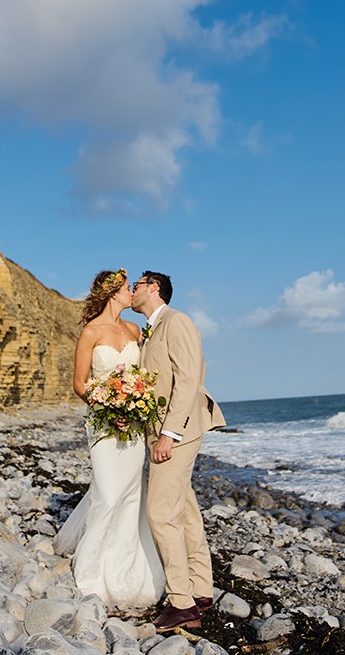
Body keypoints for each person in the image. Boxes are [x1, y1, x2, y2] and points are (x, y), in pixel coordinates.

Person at [53, 269, 166, 610]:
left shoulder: (134, 330)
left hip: (132, 425)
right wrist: (106, 404)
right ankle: (93, 570)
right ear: (113, 294)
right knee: (108, 491)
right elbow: (79, 383)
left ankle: (130, 569)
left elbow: (145, 375)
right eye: (127, 289)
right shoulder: (90, 332)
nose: (133, 293)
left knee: (131, 495)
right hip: (103, 425)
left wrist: (136, 403)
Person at [130, 270, 226, 632]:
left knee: (160, 512)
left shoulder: (177, 320)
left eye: (136, 285)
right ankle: (201, 589)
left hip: (180, 431)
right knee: (183, 509)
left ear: (153, 288)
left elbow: (189, 377)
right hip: (163, 430)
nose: (132, 291)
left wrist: (168, 434)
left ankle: (181, 603)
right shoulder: (149, 331)